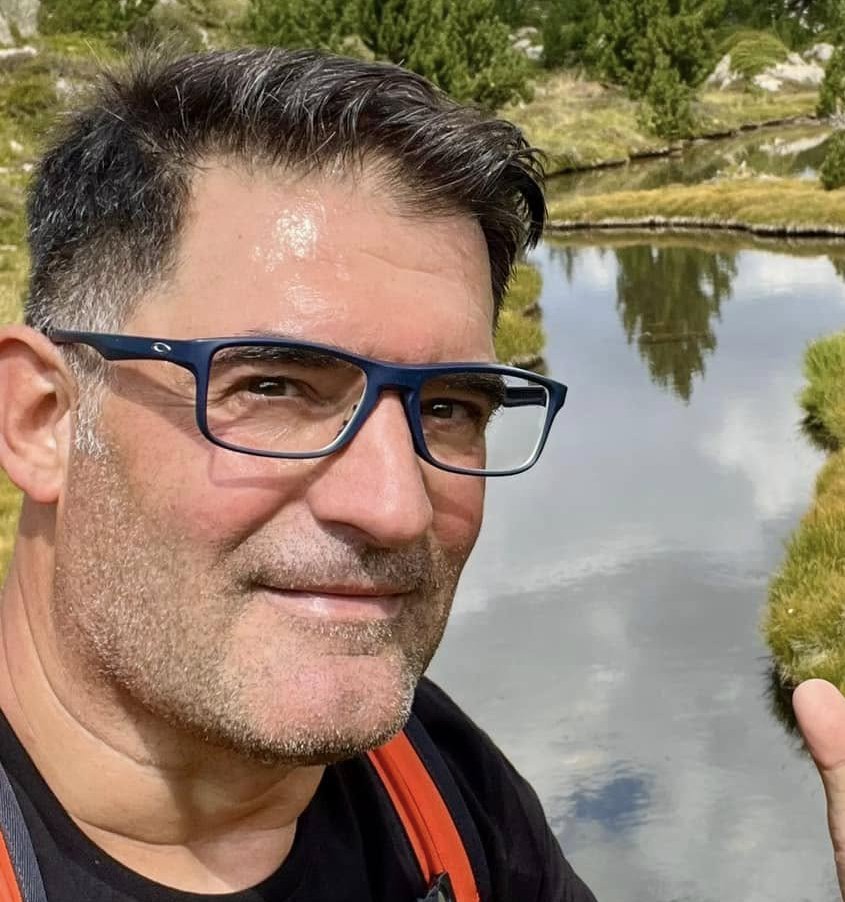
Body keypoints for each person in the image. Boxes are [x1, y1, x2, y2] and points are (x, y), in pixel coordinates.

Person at [0, 46, 593, 901]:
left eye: (446, 407)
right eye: (273, 388)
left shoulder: (445, 791)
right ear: (42, 419)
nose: (393, 507)